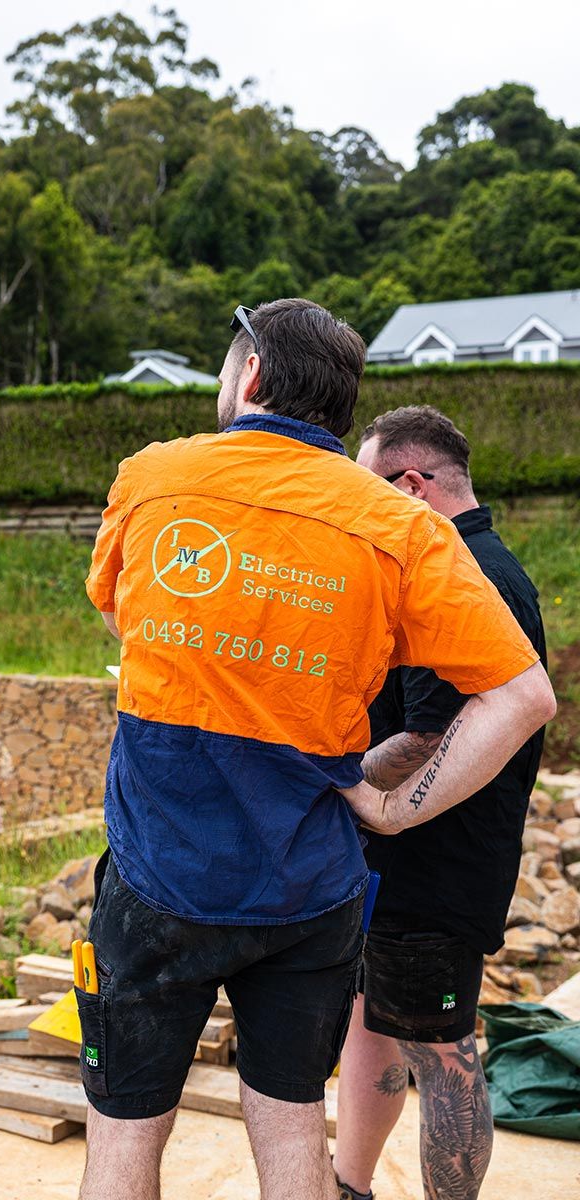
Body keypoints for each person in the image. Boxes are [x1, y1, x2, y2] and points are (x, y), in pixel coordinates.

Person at [82, 299, 554, 1200]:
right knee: (291, 1110)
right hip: (311, 893)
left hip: (158, 877)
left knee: (126, 1130)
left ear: (250, 376)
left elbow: (117, 609)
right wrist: (386, 804)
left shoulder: (154, 477)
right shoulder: (402, 528)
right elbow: (523, 696)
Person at [333, 405, 549, 1200]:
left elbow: (425, 737)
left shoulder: (467, 575)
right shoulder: (452, 562)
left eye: (369, 494)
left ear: (413, 485)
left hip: (436, 869)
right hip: (398, 860)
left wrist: (332, 779)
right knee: (371, 1024)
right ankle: (347, 1186)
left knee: (445, 1055)